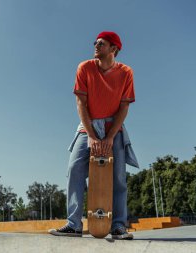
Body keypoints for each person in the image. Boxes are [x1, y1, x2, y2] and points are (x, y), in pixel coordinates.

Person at [49, 31, 139, 239]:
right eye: (96, 42)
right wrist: (91, 134)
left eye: (102, 43)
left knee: (118, 176)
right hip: (87, 125)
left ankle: (118, 226)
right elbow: (80, 103)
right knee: (74, 167)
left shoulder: (126, 73)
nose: (96, 46)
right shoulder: (85, 67)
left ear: (114, 49)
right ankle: (73, 224)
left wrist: (109, 137)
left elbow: (124, 108)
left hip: (113, 126)